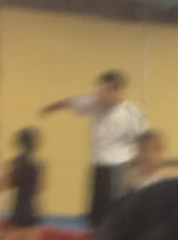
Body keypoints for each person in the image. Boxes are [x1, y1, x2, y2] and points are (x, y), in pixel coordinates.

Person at [40, 70, 147, 230]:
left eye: (107, 91)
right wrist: (49, 109)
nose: (102, 95)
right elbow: (70, 102)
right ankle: (97, 235)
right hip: (99, 167)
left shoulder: (132, 114)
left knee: (114, 215)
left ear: (119, 91)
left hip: (120, 169)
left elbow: (145, 142)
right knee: (96, 215)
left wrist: (139, 172)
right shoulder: (95, 102)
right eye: (101, 91)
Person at [4, 129, 46, 240]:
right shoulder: (39, 164)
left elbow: (10, 184)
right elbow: (39, 189)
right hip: (33, 209)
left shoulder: (15, 163)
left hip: (19, 208)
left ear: (19, 144)